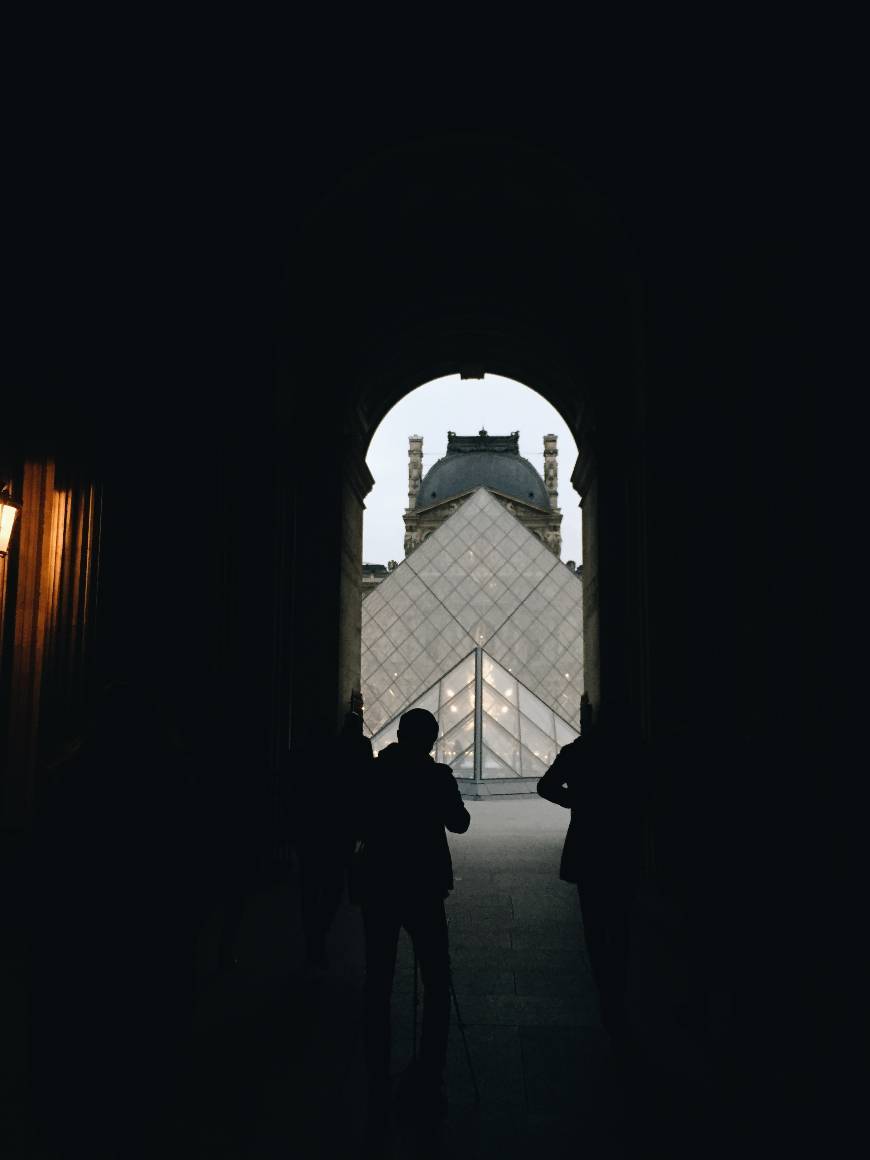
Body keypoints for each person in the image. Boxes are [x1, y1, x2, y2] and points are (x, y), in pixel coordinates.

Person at [355, 707, 470, 1154]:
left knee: (378, 980)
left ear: (400, 735)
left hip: (380, 884)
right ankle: (429, 1070)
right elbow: (459, 823)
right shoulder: (436, 775)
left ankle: (376, 1073)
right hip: (423, 886)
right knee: (437, 983)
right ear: (432, 738)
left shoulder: (374, 773)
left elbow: (358, 821)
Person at [537, 707, 645, 1043]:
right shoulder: (633, 753)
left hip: (587, 846)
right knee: (622, 924)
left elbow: (546, 786)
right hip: (623, 847)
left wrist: (577, 801)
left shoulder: (577, 752)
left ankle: (606, 993)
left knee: (595, 926)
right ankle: (620, 990)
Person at [299, 709, 373, 972]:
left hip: (317, 829)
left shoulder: (323, 752)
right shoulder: (362, 747)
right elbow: (366, 786)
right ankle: (320, 929)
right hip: (344, 828)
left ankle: (314, 939)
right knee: (334, 884)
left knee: (314, 884)